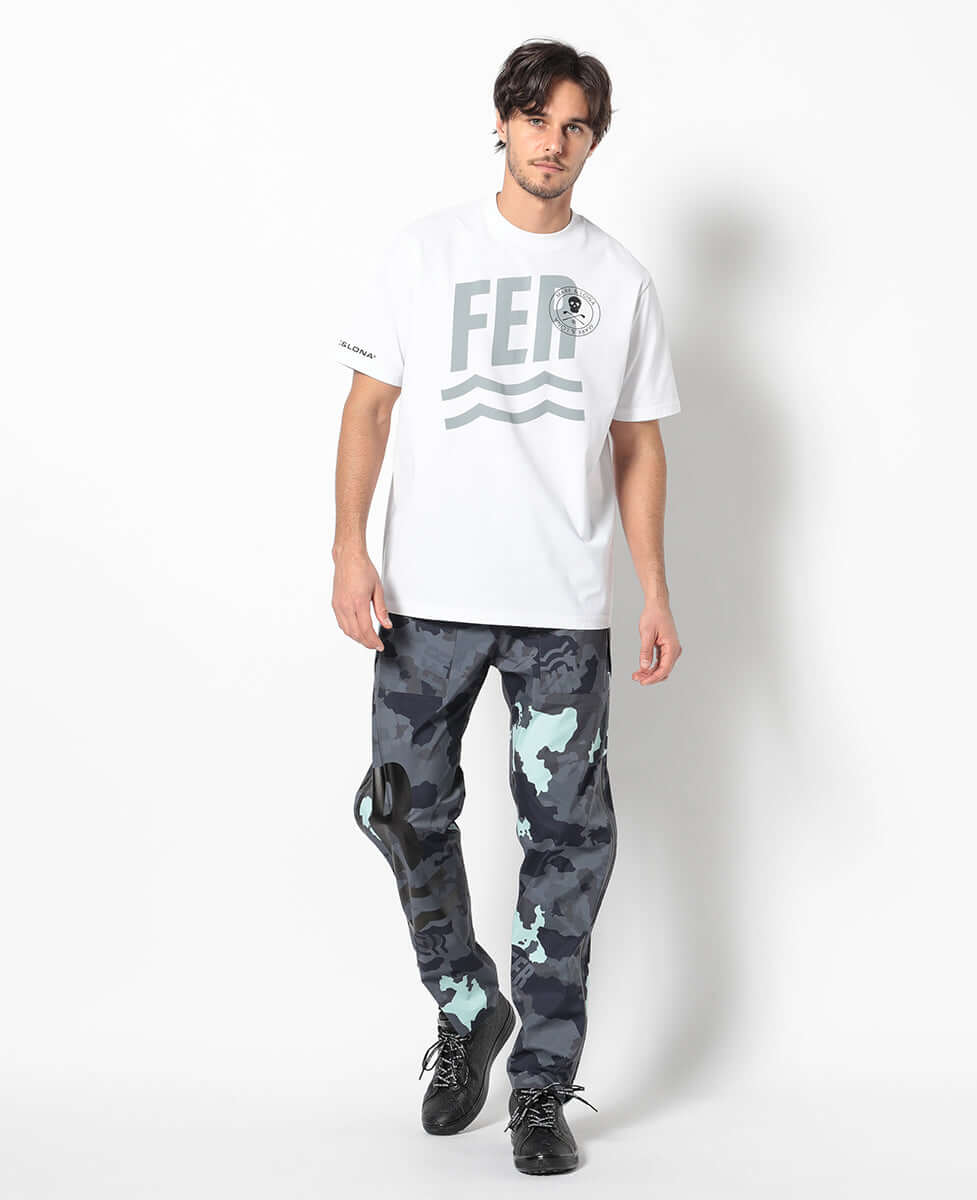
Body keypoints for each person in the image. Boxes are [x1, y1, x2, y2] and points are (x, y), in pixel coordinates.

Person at [330, 37, 683, 1176]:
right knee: (401, 809)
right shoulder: (424, 253)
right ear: (501, 121)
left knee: (566, 845)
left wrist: (654, 588)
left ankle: (539, 1084)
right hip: (425, 599)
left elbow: (638, 445)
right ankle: (466, 1002)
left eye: (575, 125)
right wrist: (348, 547)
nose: (552, 142)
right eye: (536, 119)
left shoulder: (619, 280)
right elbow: (368, 409)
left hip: (560, 608)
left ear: (593, 141)